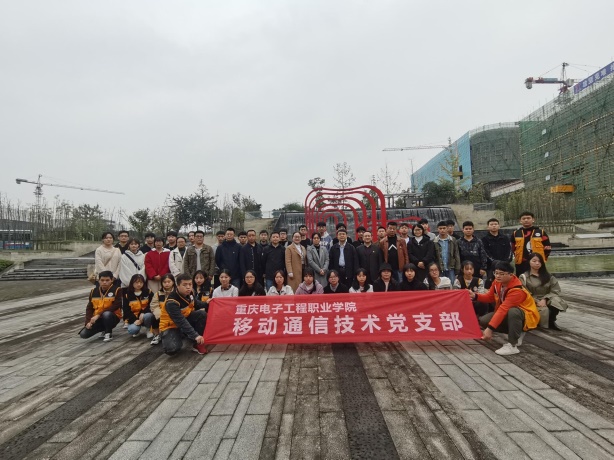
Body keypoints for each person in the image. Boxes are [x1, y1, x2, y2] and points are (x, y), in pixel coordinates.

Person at [470, 261, 540, 356]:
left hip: (527, 317)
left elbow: (504, 309)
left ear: (511, 274)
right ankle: (516, 333)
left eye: (502, 274)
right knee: (484, 320)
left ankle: (512, 345)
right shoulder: (497, 282)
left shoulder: (517, 290)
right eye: (496, 273)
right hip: (509, 313)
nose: (498, 276)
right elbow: (490, 297)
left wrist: (490, 329)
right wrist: (475, 296)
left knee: (513, 311)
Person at [159, 273, 207, 355]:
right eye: (184, 285)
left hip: (185, 318)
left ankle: (196, 343)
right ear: (177, 286)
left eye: (190, 284)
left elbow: (196, 304)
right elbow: (180, 321)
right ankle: (176, 335)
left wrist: (207, 303)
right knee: (172, 349)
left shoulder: (190, 293)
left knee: (201, 314)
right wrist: (195, 335)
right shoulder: (171, 302)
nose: (188, 287)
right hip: (171, 325)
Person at [519, 253, 567, 330]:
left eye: (539, 261)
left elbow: (556, 290)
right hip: (532, 300)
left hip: (547, 298)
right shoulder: (524, 277)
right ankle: (542, 323)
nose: (537, 263)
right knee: (544, 311)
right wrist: (537, 301)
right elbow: (524, 293)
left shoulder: (549, 276)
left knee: (557, 300)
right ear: (529, 262)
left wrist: (545, 299)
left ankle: (552, 320)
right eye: (534, 261)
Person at [79, 271, 122, 342]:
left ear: (111, 280)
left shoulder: (117, 290)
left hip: (112, 317)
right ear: (98, 281)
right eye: (102, 280)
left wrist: (98, 315)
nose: (104, 282)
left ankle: (108, 333)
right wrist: (88, 322)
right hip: (98, 318)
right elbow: (89, 308)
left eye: (107, 280)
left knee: (107, 314)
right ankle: (103, 329)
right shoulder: (93, 291)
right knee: (83, 334)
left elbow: (116, 305)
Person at [123, 274, 156, 339]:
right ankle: (138, 329)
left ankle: (148, 329)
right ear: (132, 283)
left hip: (145, 315)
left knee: (148, 316)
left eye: (141, 282)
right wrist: (135, 320)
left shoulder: (148, 292)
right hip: (134, 317)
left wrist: (144, 312)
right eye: (136, 282)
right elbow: (126, 310)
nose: (139, 284)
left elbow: (152, 304)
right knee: (132, 330)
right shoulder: (127, 295)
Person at [482, 218, 512, 287]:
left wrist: (505, 262)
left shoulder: (505, 238)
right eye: (491, 224)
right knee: (491, 285)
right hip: (491, 267)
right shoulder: (484, 239)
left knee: (506, 284)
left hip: (505, 266)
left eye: (495, 224)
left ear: (499, 226)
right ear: (488, 227)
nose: (494, 226)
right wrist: (496, 263)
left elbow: (509, 251)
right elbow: (485, 253)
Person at [150, 273, 176, 345]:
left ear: (173, 282)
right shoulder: (158, 294)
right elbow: (154, 305)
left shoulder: (177, 293)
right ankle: (156, 335)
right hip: (161, 315)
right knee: (153, 317)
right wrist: (159, 314)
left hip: (173, 315)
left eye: (169, 282)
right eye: (164, 282)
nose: (167, 284)